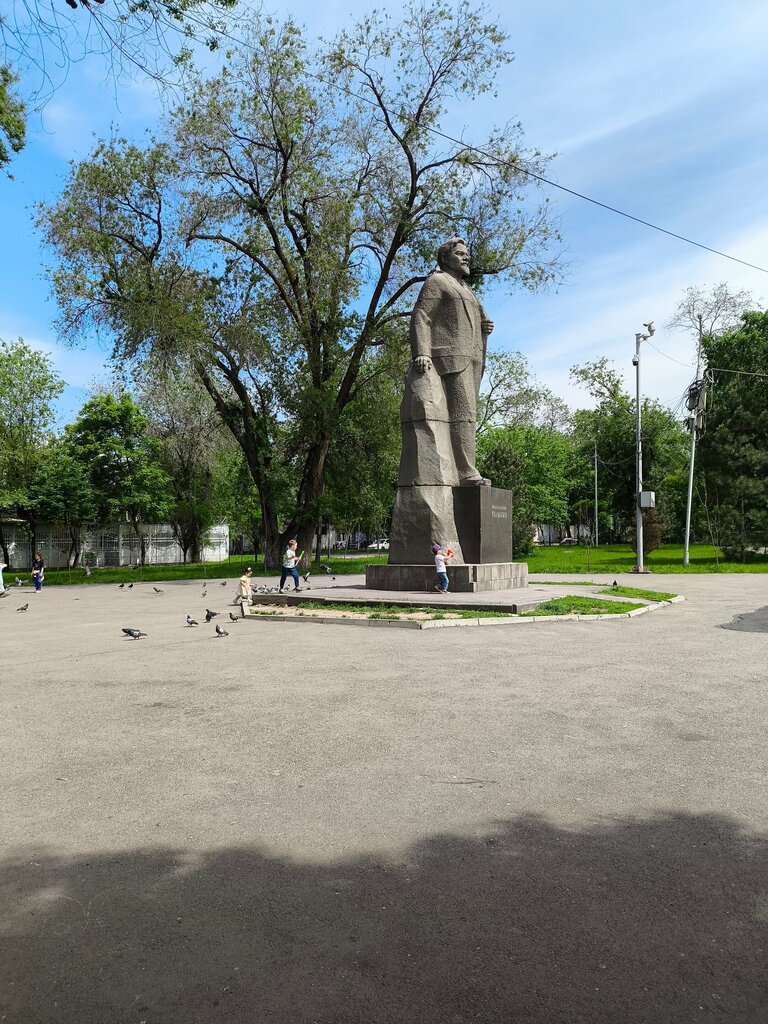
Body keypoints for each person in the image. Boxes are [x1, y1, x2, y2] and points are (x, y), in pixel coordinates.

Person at [410, 236, 494, 485]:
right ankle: (466, 472)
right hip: (451, 357)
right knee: (463, 414)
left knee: (468, 415)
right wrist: (421, 352)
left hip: (473, 357)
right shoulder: (437, 281)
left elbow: (477, 318)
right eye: (459, 253)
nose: (466, 257)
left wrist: (484, 325)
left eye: (466, 253)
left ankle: (464, 468)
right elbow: (422, 316)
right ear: (445, 258)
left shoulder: (467, 289)